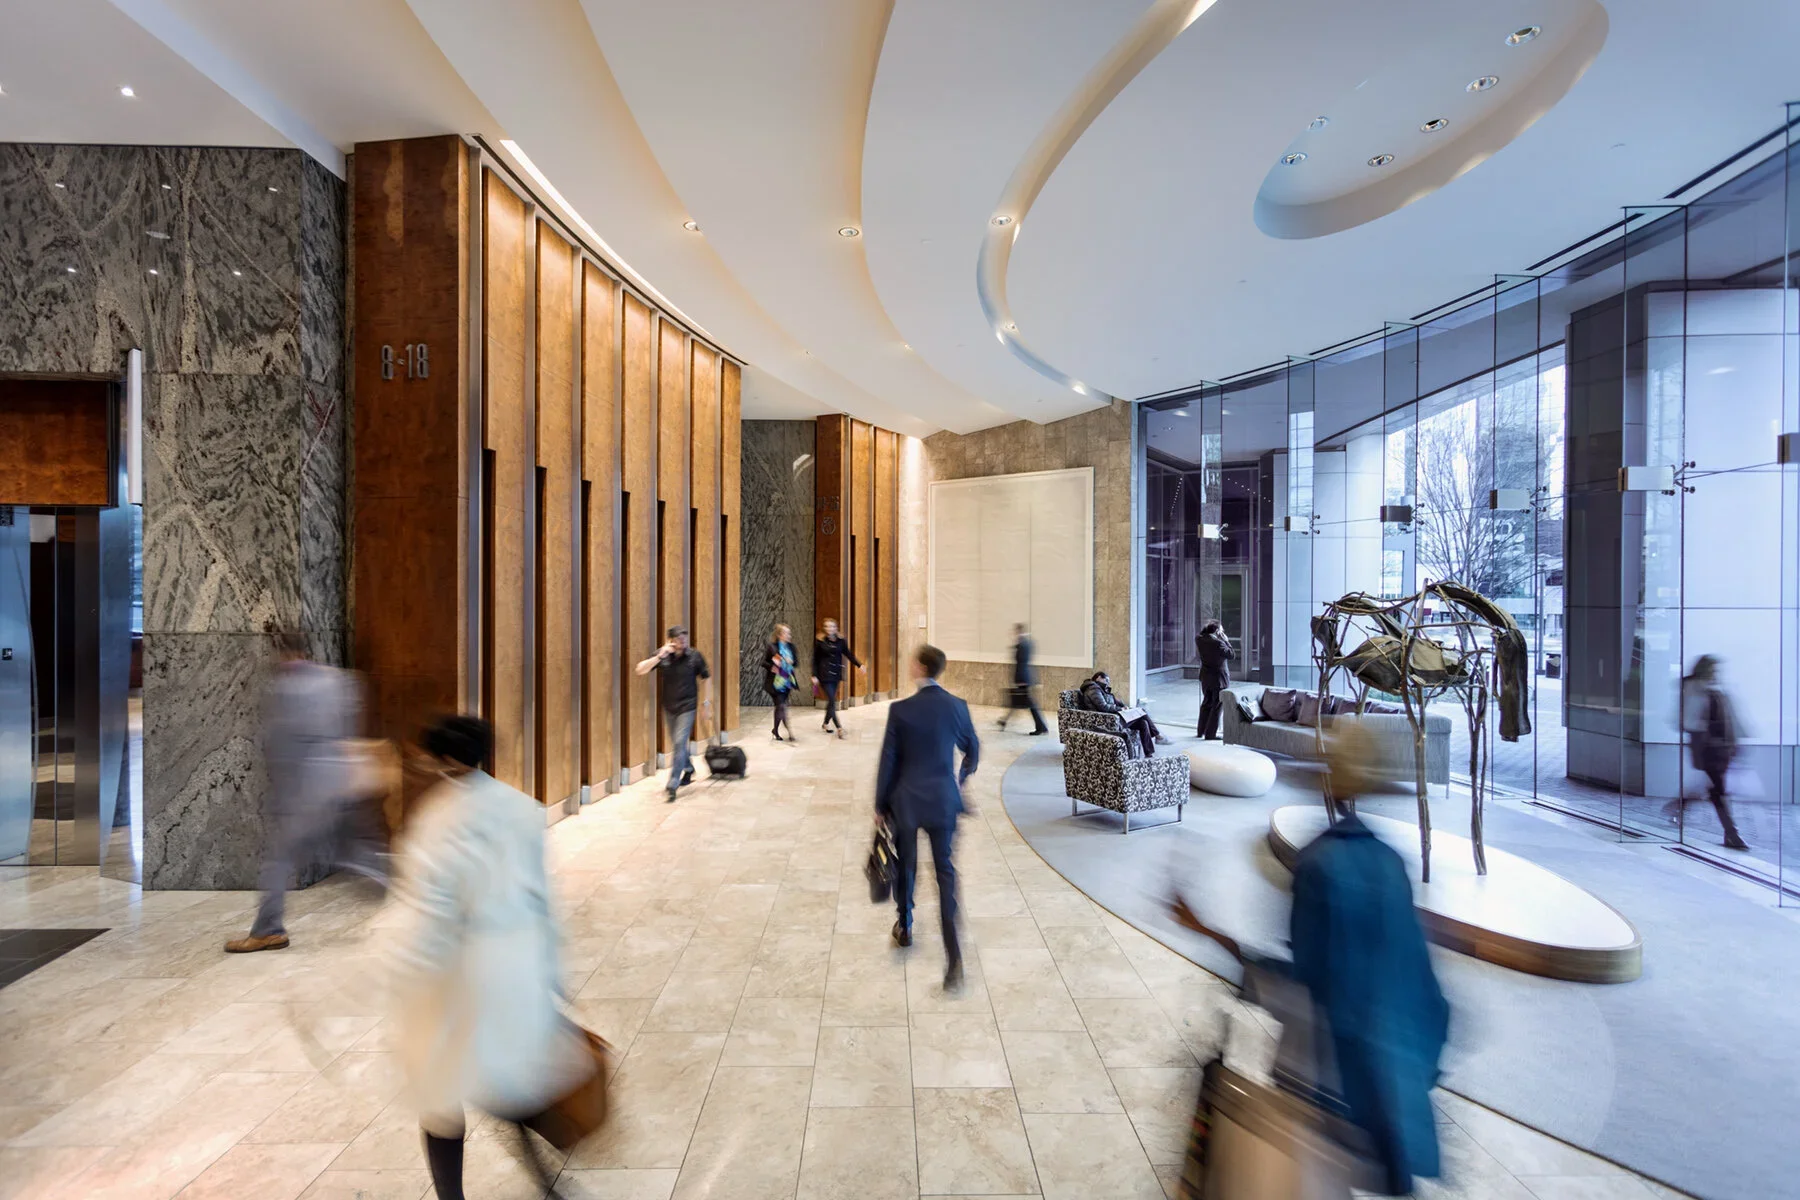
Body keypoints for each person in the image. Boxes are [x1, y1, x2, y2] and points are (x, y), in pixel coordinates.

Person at [1169, 721, 1448, 1197]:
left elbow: (1307, 983)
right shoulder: (1388, 863)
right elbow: (1421, 986)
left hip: (1335, 1083)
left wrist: (1209, 934)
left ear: (1329, 779)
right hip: (1396, 1082)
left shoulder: (1322, 864)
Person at [389, 714, 593, 1200]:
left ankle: (451, 1197)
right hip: (513, 965)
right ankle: (544, 1181)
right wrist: (552, 971)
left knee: (442, 1095)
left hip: (454, 975)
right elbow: (542, 896)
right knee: (509, 1078)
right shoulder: (521, 808)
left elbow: (428, 911)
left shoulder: (438, 820)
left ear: (448, 759)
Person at [226, 631, 380, 954]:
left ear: (282, 653)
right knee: (356, 854)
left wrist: (282, 795)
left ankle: (268, 930)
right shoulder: (338, 680)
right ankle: (424, 896)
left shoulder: (286, 688)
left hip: (307, 792)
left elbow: (283, 747)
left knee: (278, 861)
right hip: (339, 782)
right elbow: (348, 730)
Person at [876, 644, 980, 992]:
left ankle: (904, 925)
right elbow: (973, 750)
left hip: (905, 802)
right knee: (945, 874)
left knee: (906, 865)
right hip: (943, 802)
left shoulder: (900, 710)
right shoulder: (957, 706)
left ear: (921, 668)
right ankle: (953, 958)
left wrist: (880, 805)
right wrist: (960, 778)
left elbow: (888, 761)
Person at [635, 625, 712, 803]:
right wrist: (659, 656)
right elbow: (640, 669)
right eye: (678, 640)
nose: (682, 643)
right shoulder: (663, 656)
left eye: (684, 640)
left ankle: (673, 783)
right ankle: (689, 767)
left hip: (688, 706)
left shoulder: (694, 656)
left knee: (679, 742)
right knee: (678, 745)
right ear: (671, 640)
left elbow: (706, 677)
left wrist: (706, 703)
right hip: (669, 707)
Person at [1680, 655, 1749, 850]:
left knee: (1713, 787)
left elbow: (1731, 720)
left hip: (1721, 749)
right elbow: (1690, 722)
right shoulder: (1695, 690)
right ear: (1704, 670)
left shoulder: (1716, 691)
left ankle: (1680, 805)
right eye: (1713, 670)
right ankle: (1731, 833)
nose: (1715, 674)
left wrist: (1736, 742)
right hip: (1707, 748)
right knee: (1718, 790)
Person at [1080, 670, 1169, 757]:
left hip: (1115, 717)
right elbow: (1104, 707)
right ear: (1099, 678)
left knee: (1143, 723)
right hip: (1107, 720)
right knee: (1142, 712)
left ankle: (1148, 754)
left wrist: (1123, 706)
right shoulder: (1093, 689)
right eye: (1106, 680)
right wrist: (1120, 709)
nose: (1108, 683)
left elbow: (1111, 703)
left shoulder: (1101, 689)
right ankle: (1158, 735)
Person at [811, 617, 861, 738]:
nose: (830, 629)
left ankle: (826, 723)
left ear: (836, 628)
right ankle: (839, 727)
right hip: (824, 675)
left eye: (832, 626)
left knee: (831, 701)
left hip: (836, 675)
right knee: (832, 701)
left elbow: (848, 654)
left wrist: (859, 665)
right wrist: (814, 675)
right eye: (827, 626)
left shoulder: (841, 641)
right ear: (825, 628)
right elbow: (814, 660)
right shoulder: (820, 641)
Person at [998, 622, 1049, 735]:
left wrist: (1020, 679)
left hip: (1023, 677)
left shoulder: (1022, 644)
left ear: (1018, 631)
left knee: (1028, 703)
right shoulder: (1028, 642)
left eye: (1015, 631)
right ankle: (1004, 720)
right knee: (1021, 701)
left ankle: (1041, 727)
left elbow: (1020, 662)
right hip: (1026, 676)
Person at [1197, 620, 1234, 740]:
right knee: (1217, 706)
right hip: (1219, 679)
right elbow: (1231, 655)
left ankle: (1200, 731)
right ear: (1218, 631)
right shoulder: (1219, 643)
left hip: (1205, 677)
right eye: (1222, 630)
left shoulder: (1199, 639)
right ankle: (1210, 734)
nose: (1223, 632)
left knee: (1206, 703)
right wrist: (1226, 641)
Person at [762, 623, 800, 742]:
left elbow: (796, 663)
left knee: (780, 707)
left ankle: (775, 730)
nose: (789, 635)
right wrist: (771, 667)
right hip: (775, 683)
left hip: (787, 682)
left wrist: (791, 662)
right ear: (779, 635)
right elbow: (763, 662)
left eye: (789, 633)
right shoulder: (772, 647)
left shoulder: (791, 647)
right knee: (782, 706)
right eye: (786, 633)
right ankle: (790, 732)